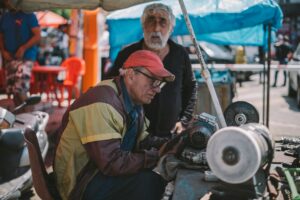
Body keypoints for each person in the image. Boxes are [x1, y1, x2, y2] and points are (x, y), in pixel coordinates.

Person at [54, 50, 185, 200]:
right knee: (150, 183)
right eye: (153, 81)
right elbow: (112, 163)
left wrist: (170, 143)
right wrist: (157, 156)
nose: (157, 89)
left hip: (97, 171)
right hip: (81, 183)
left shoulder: (133, 102)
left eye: (159, 83)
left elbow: (141, 141)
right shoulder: (101, 103)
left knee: (155, 178)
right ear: (130, 75)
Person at [107, 3, 197, 137]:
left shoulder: (180, 54)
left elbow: (190, 87)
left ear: (171, 28)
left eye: (163, 22)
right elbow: (111, 89)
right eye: (151, 21)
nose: (156, 28)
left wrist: (184, 121)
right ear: (143, 26)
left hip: (170, 134)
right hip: (133, 135)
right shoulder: (127, 55)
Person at [0, 0, 40, 106]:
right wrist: (3, 51)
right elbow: (1, 36)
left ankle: (30, 115)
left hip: (26, 57)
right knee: (13, 90)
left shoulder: (29, 15)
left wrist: (23, 48)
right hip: (10, 57)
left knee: (20, 88)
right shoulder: (5, 17)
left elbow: (37, 35)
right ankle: (21, 117)